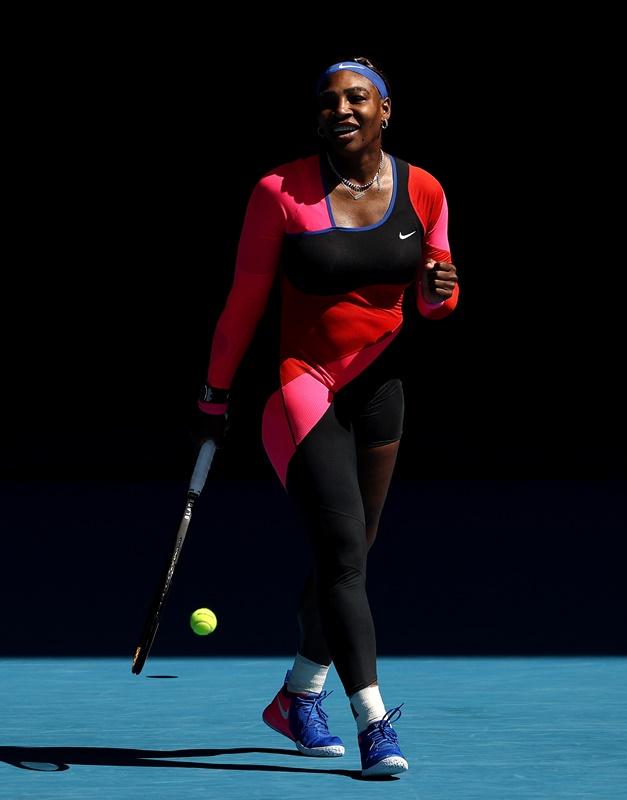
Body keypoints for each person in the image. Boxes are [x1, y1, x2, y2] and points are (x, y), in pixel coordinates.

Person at [193, 56, 459, 778]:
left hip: (382, 390)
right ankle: (375, 723)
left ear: (385, 111)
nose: (340, 108)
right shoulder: (277, 191)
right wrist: (215, 394)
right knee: (344, 552)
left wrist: (442, 290)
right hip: (302, 386)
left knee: (351, 557)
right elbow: (244, 303)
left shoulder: (426, 189)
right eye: (329, 100)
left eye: (357, 98)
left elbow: (436, 301)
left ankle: (295, 697)